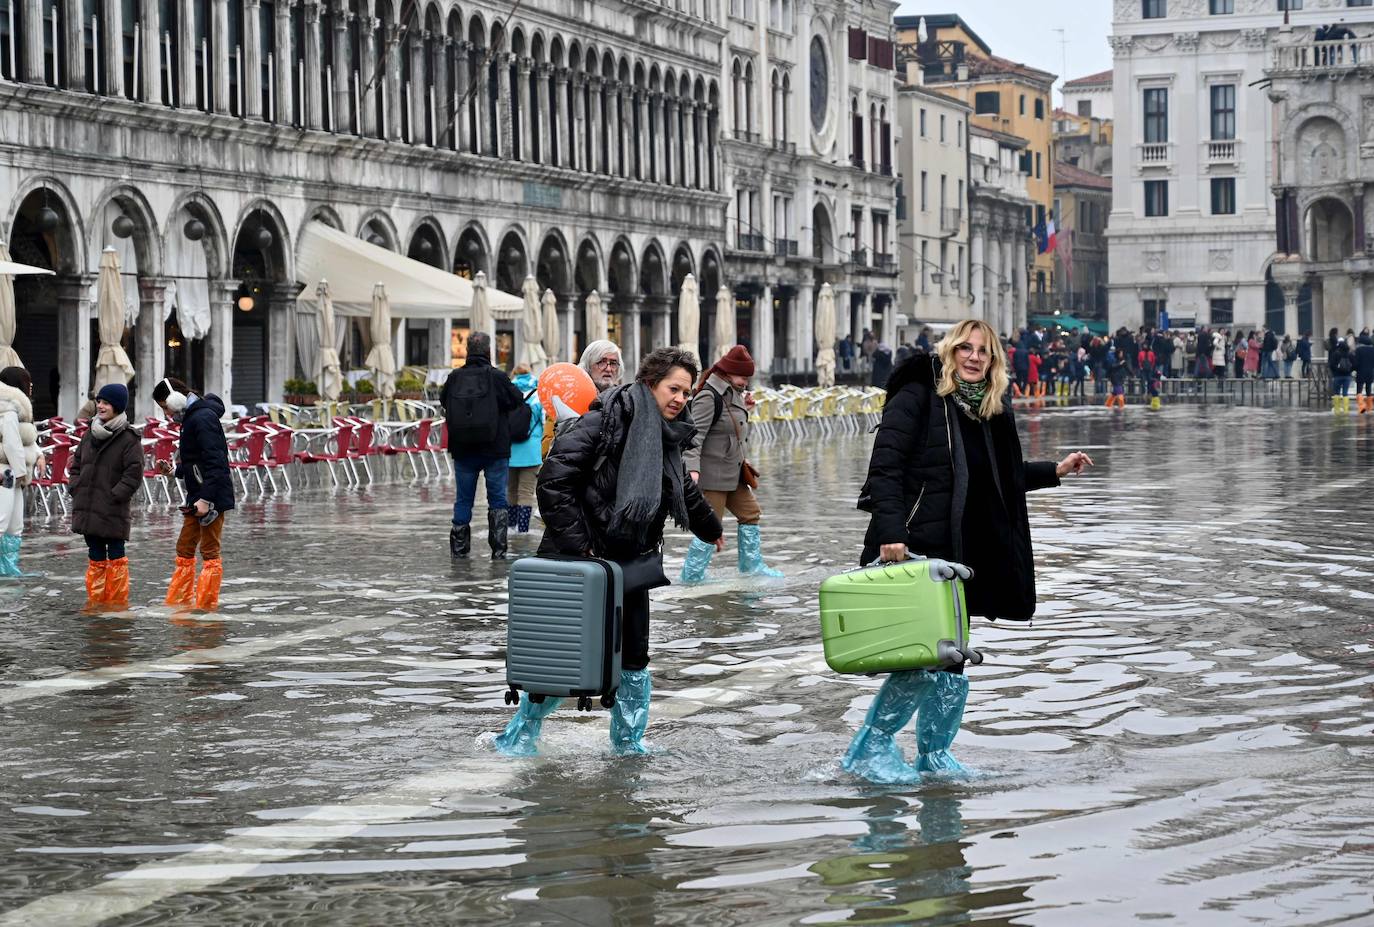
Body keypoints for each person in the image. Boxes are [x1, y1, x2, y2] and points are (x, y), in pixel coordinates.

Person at [844, 319, 1092, 784]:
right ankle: (869, 749)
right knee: (924, 654)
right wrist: (891, 533)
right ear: (949, 352)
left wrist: (1053, 471)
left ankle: (934, 755)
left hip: (964, 554)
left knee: (951, 656)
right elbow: (886, 468)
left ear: (994, 361)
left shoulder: (989, 409)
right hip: (917, 547)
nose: (974, 357)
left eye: (984, 351)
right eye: (966, 348)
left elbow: (998, 475)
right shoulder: (919, 395)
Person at [493, 348, 725, 756]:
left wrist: (711, 528)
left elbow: (681, 489)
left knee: (634, 655)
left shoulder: (669, 436)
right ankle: (520, 735)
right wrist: (580, 545)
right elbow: (553, 483)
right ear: (651, 383)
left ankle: (628, 745)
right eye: (674, 389)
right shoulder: (603, 421)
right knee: (566, 654)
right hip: (580, 563)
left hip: (631, 564)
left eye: (687, 393)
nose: (680, 399)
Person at [680, 345, 782, 583]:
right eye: (742, 376)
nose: (745, 381)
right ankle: (692, 575)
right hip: (713, 476)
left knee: (751, 513)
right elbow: (695, 436)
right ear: (727, 372)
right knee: (709, 526)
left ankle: (752, 566)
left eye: (747, 378)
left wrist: (744, 409)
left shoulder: (732, 394)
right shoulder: (708, 396)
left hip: (733, 473)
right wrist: (692, 468)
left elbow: (731, 431)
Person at [152, 377, 235, 611]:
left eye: (165, 407)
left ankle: (206, 607)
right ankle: (181, 601)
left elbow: (216, 463)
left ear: (175, 400)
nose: (167, 414)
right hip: (197, 496)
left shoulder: (202, 418)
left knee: (209, 550)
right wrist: (174, 471)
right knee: (185, 547)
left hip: (211, 497)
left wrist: (206, 499)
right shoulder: (191, 418)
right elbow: (195, 464)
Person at [441, 332, 526, 559]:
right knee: (498, 499)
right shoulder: (497, 377)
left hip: (462, 449)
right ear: (490, 352)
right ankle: (498, 553)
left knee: (463, 500)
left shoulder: (454, 377)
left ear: (467, 351)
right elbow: (517, 399)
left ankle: (459, 554)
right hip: (495, 449)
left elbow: (443, 401)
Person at [67, 383, 143, 609]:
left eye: (106, 402)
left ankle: (117, 606)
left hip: (112, 509)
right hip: (88, 507)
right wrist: (75, 487)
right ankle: (97, 604)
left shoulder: (129, 438)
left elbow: (133, 474)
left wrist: (113, 496)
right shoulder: (89, 434)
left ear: (117, 407)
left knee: (117, 555)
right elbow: (76, 464)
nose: (100, 406)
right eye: (99, 401)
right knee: (95, 555)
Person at [0, 367, 44, 578]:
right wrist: (20, 472)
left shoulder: (18, 408)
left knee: (15, 525)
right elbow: (11, 443)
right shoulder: (8, 407)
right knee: (2, 520)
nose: (32, 385)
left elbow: (26, 440)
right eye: (28, 381)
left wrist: (38, 454)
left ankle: (8, 568)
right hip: (6, 473)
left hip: (14, 474)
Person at [505, 365, 544, 534]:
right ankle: (523, 531)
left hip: (509, 450)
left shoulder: (507, 393)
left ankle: (510, 528)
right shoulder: (539, 394)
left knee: (511, 491)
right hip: (532, 451)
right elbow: (544, 422)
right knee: (526, 492)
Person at [1330, 340, 1355, 413]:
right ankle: (1346, 410)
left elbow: (1331, 365)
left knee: (1336, 392)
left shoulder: (1336, 354)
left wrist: (1335, 372)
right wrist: (1350, 371)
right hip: (1347, 376)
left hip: (1337, 376)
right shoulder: (1350, 354)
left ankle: (1337, 409)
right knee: (1345, 393)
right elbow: (1355, 364)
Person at [1354, 334, 1374, 413]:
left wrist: (1354, 369)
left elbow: (1356, 362)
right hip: (1370, 372)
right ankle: (1369, 407)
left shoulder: (1359, 350)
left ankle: (1361, 407)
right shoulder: (1373, 350)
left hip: (1360, 371)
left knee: (1359, 389)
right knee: (1368, 389)